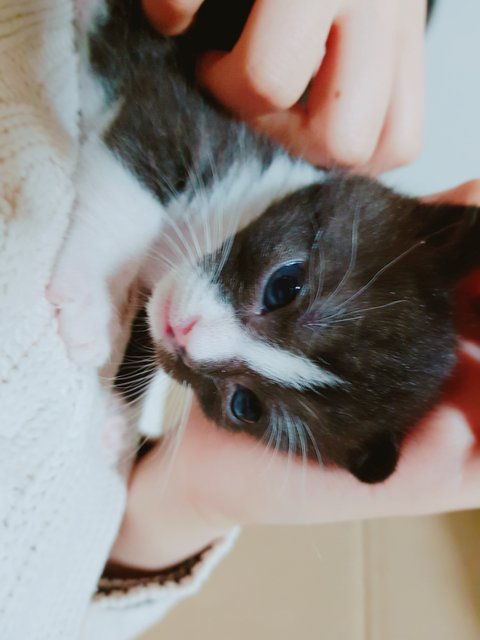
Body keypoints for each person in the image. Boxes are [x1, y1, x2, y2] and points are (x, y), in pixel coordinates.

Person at [1, 1, 478, 639]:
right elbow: (158, 135)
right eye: (284, 288)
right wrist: (99, 271)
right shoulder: (254, 158)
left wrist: (188, 498)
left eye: (246, 404)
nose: (197, 347)